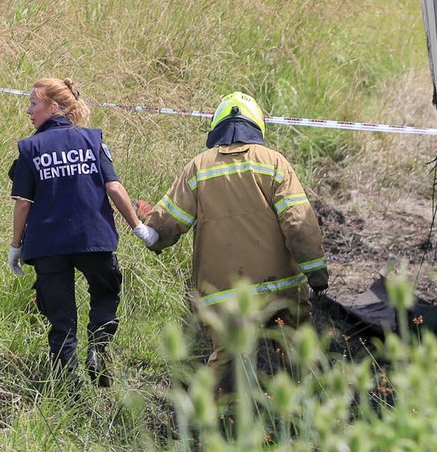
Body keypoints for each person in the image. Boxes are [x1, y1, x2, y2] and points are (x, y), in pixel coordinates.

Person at [137, 91, 328, 372]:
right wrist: (317, 275)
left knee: (226, 366)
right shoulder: (274, 164)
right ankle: (306, 395)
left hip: (222, 296)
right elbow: (300, 225)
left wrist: (151, 233)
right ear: (256, 125)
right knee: (297, 355)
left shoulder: (198, 168)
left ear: (217, 127)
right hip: (280, 289)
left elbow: (167, 223)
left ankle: (218, 400)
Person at [8, 78, 155, 382]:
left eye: (33, 103)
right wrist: (138, 227)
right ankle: (98, 351)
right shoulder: (92, 140)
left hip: (48, 244)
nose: (28, 110)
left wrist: (15, 246)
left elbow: (23, 203)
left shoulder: (29, 148)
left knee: (61, 317)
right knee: (105, 292)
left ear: (53, 106)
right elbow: (114, 187)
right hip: (93, 238)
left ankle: (68, 386)